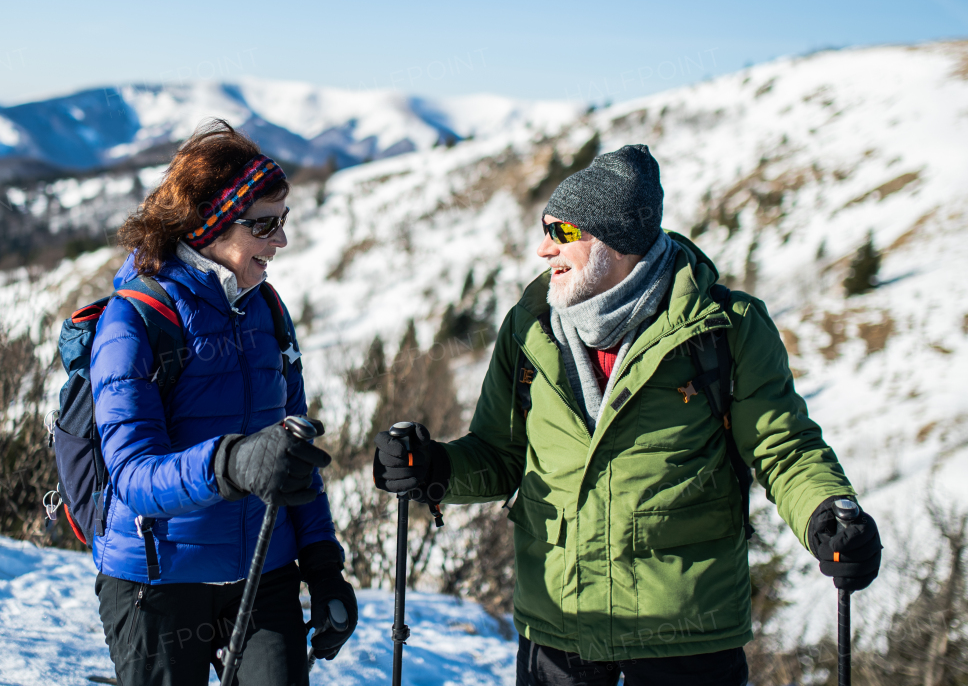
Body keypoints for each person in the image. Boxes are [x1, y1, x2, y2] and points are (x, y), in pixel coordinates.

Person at [372, 144, 883, 685]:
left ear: (614, 241)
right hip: (558, 626)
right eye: (545, 229)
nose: (544, 249)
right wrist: (432, 469)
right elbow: (501, 455)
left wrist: (826, 510)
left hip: (684, 633)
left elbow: (784, 449)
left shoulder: (724, 328)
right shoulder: (529, 330)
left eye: (563, 232)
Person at [89, 120, 357, 686]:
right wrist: (232, 463)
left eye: (282, 221)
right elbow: (132, 476)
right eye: (263, 224)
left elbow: (292, 456)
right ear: (209, 225)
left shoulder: (267, 311)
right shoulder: (135, 321)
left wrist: (324, 567)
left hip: (264, 571)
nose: (279, 240)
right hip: (159, 582)